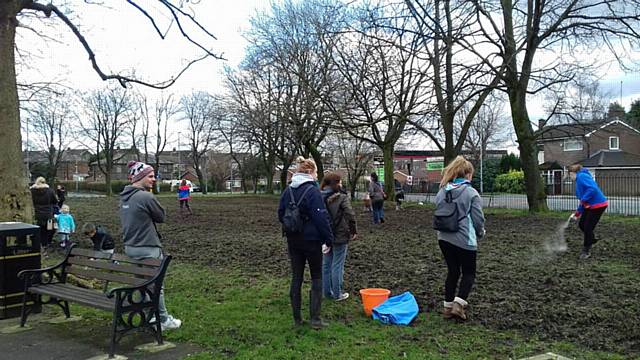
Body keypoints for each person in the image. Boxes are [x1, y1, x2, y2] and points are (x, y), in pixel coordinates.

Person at [119, 160, 182, 331]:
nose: (154, 179)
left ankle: (149, 315)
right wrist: (152, 195)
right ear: (140, 177)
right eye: (151, 176)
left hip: (130, 247)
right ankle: (162, 319)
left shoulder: (125, 197)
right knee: (156, 286)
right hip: (148, 247)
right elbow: (161, 216)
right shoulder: (145, 196)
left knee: (142, 284)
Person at [278, 156, 334, 329]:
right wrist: (328, 239)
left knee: (297, 277)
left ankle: (297, 319)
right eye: (316, 171)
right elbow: (320, 218)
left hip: (293, 240)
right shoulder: (312, 191)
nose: (317, 176)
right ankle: (315, 319)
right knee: (317, 277)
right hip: (311, 241)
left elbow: (280, 213)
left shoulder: (288, 190)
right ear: (310, 171)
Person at [434, 156, 485, 321]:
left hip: (443, 237)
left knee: (453, 271)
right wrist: (481, 232)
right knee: (469, 272)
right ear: (468, 174)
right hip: (464, 238)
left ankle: (448, 307)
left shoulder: (442, 191)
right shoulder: (471, 193)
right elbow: (478, 219)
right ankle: (459, 304)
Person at [320, 172, 357, 302]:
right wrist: (353, 230)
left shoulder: (318, 196)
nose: (341, 184)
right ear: (335, 184)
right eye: (340, 182)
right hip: (340, 234)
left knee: (326, 264)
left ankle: (327, 293)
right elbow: (350, 214)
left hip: (325, 234)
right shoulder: (342, 197)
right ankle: (337, 294)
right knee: (337, 264)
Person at [568, 164, 608, 260]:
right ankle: (591, 239)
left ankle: (586, 251)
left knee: (588, 227)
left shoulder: (582, 177)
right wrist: (577, 214)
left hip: (598, 205)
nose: (569, 177)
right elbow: (583, 200)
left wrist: (584, 199)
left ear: (573, 173)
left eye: (569, 175)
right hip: (590, 206)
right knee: (582, 224)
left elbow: (592, 189)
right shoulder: (579, 180)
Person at [30, 177, 58, 253]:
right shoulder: (50, 191)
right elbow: (55, 201)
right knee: (50, 228)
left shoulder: (31, 191)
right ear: (44, 182)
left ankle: (38, 244)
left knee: (39, 229)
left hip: (37, 214)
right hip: (48, 215)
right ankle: (46, 244)